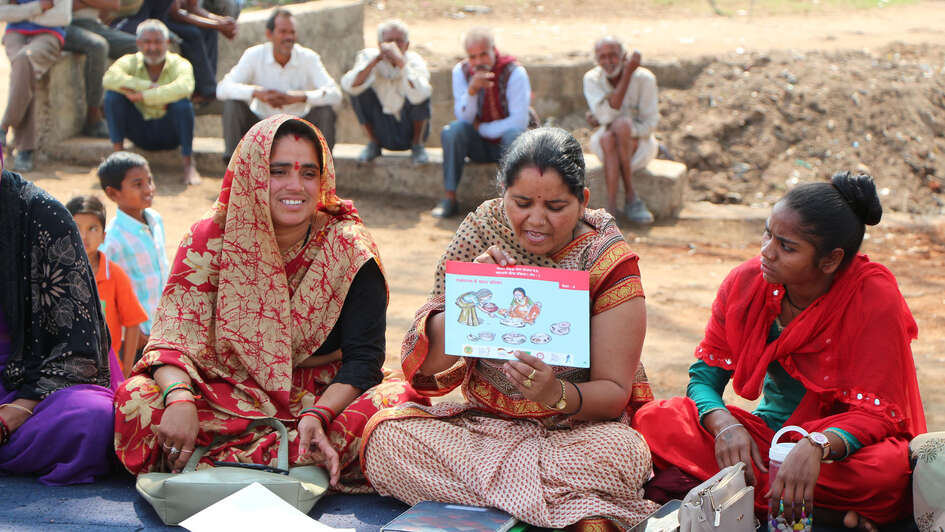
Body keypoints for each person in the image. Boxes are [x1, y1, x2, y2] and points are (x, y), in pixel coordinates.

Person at [361, 128, 659, 529]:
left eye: (555, 206)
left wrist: (555, 393)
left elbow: (613, 394)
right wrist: (474, 293)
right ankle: (570, 511)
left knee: (622, 455)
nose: (536, 220)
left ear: (583, 200)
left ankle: (496, 509)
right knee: (385, 441)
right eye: (521, 203)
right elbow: (428, 366)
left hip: (573, 433)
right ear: (503, 193)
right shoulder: (481, 232)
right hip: (483, 430)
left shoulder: (608, 261)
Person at [113, 115, 426, 489]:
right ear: (250, 173)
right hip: (224, 388)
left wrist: (321, 414)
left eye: (309, 174)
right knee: (137, 400)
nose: (295, 186)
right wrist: (180, 399)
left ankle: (216, 460)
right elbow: (171, 342)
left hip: (318, 394)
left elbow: (365, 361)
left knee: (394, 406)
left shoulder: (348, 248)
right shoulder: (209, 237)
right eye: (278, 172)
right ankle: (293, 460)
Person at [632, 172, 926, 531]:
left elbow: (878, 414)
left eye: (786, 247)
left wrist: (816, 445)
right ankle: (826, 515)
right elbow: (704, 378)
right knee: (657, 419)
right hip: (769, 438)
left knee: (885, 473)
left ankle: (744, 495)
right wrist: (724, 425)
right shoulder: (746, 283)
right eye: (767, 233)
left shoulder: (874, 299)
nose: (766, 252)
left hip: (840, 452)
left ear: (830, 260)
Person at [0, 166, 116, 485]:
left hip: (37, 376)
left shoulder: (43, 215)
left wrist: (20, 408)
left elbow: (77, 349)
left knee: (91, 420)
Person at [216, 8, 341, 163]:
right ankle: (233, 170)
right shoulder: (254, 55)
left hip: (298, 126)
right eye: (283, 32)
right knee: (232, 105)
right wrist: (256, 93)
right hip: (261, 127)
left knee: (326, 112)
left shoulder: (309, 58)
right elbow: (222, 89)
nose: (289, 37)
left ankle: (324, 172)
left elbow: (335, 94)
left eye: (292, 32)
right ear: (269, 34)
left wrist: (300, 97)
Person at [432, 27, 530, 219]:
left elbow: (519, 121)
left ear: (494, 49)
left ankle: (508, 205)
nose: (478, 62)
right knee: (453, 131)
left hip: (507, 144)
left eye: (483, 54)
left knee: (515, 136)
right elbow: (465, 118)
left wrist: (483, 129)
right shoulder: (461, 72)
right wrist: (471, 91)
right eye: (473, 57)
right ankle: (449, 198)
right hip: (477, 145)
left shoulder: (514, 72)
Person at [103, 18, 201, 185]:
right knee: (113, 97)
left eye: (158, 42)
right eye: (147, 42)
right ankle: (118, 160)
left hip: (170, 132)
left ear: (167, 42)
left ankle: (188, 165)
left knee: (183, 105)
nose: (152, 48)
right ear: (138, 43)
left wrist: (144, 96)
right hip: (139, 130)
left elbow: (185, 88)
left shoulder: (180, 63)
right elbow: (109, 79)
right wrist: (148, 86)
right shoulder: (129, 61)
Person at [67, 195, 148, 377]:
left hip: (107, 371)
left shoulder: (115, 275)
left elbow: (133, 323)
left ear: (104, 236)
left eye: (92, 228)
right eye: (76, 228)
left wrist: (125, 370)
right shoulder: (56, 274)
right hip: (66, 369)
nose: (83, 236)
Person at [583, 36, 659, 224]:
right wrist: (626, 76)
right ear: (597, 60)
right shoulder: (592, 79)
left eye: (613, 56)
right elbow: (606, 118)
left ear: (624, 56)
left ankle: (612, 206)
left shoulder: (645, 78)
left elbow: (651, 124)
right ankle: (630, 198)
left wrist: (626, 132)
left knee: (620, 128)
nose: (608, 62)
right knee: (610, 136)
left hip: (640, 147)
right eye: (603, 57)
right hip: (604, 144)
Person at [98, 151, 169, 345]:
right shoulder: (113, 240)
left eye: (150, 180)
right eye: (138, 184)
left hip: (164, 327)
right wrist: (135, 337)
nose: (148, 189)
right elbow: (109, 297)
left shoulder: (155, 219)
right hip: (139, 336)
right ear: (113, 193)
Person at [340, 19, 432, 164]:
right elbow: (349, 85)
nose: (394, 45)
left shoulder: (414, 62)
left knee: (420, 90)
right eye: (389, 41)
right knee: (357, 90)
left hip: (407, 126)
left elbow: (423, 93)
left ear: (407, 45)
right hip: (382, 127)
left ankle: (417, 145)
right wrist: (374, 62)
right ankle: (373, 144)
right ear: (380, 44)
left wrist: (401, 63)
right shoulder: (368, 58)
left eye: (399, 41)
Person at [0, 0, 70, 172]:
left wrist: (20, 13)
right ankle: (25, 149)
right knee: (25, 72)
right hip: (15, 34)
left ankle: (5, 125)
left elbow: (62, 17)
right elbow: (2, 13)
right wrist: (38, 8)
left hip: (49, 36)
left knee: (24, 60)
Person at [63, 0, 138, 138]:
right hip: (64, 26)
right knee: (98, 47)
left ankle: (127, 110)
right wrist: (99, 3)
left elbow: (114, 5)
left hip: (94, 25)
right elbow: (62, 7)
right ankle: (93, 116)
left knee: (138, 46)